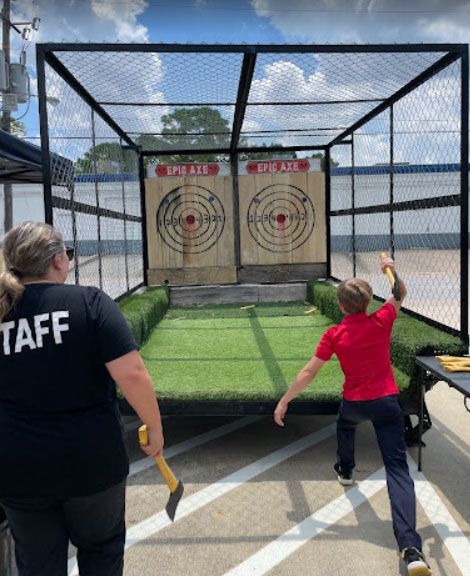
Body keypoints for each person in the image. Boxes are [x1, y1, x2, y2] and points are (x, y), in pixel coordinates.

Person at [0, 221, 164, 576]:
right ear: (58, 259)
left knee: (37, 564)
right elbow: (132, 374)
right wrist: (154, 426)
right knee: (101, 553)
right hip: (91, 462)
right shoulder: (88, 302)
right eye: (68, 255)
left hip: (17, 466)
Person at [274, 255, 432, 576]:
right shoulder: (382, 319)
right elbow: (400, 291)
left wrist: (284, 401)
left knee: (345, 425)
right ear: (366, 302)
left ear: (341, 306)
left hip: (356, 403)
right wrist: (390, 266)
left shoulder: (334, 334)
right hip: (387, 404)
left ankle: (346, 470)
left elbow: (308, 372)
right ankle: (411, 548)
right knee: (398, 470)